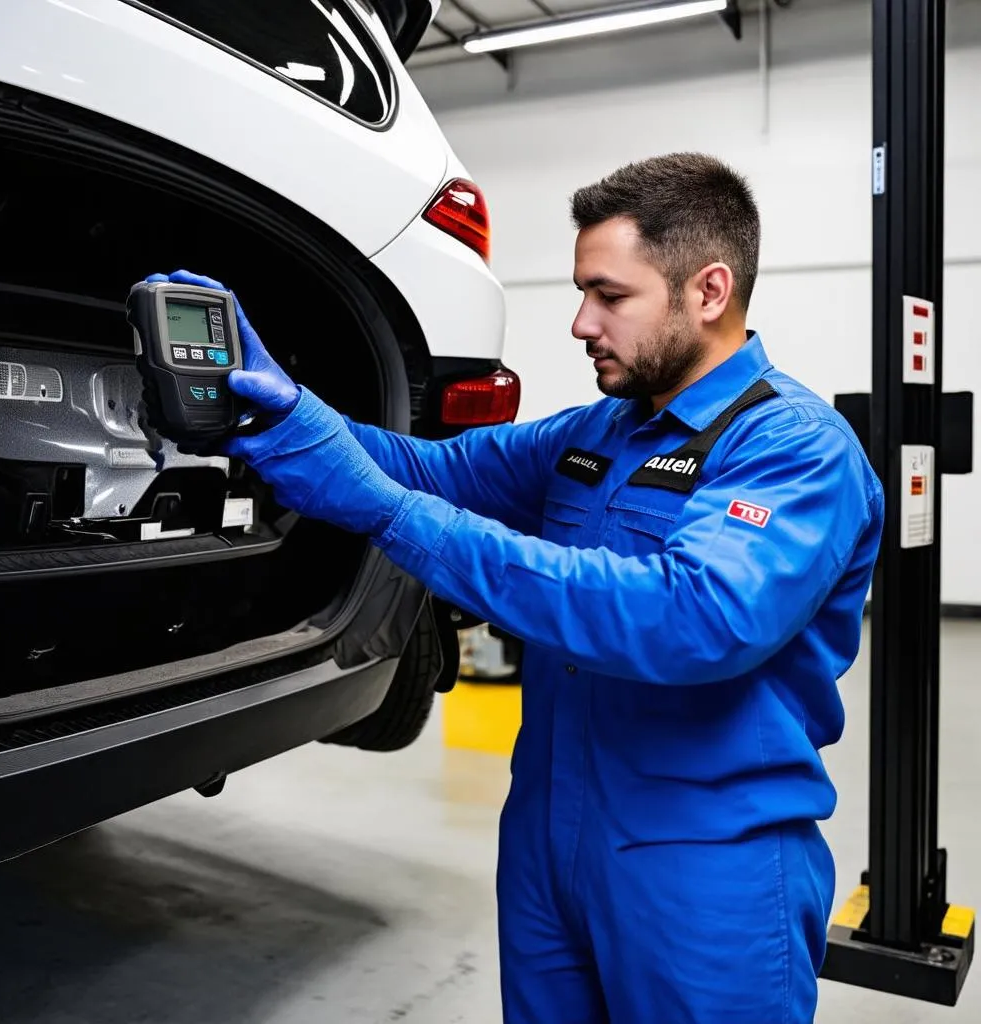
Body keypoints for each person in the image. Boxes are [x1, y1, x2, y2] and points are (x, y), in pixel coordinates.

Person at [148, 151, 884, 1023]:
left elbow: (693, 617)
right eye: (582, 291)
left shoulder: (795, 448)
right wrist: (284, 408)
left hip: (703, 860)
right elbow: (428, 469)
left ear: (708, 291)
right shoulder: (598, 432)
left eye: (610, 296)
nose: (581, 322)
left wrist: (390, 516)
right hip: (546, 834)